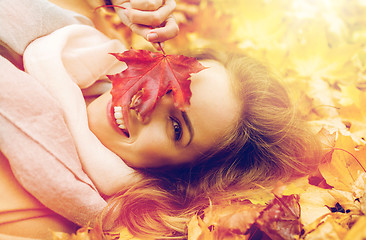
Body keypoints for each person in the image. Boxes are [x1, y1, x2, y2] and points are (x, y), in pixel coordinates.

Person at [0, 0, 321, 239]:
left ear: (179, 174)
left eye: (176, 127)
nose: (145, 104)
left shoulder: (46, 214)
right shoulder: (72, 38)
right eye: (168, 84)